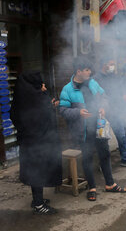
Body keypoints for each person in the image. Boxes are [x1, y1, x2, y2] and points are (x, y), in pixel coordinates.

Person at [59, 56, 126, 202]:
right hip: (83, 131)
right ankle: (92, 188)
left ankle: (110, 184)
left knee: (105, 154)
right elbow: (63, 110)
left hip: (99, 127)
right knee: (88, 158)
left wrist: (103, 107)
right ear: (79, 71)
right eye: (87, 70)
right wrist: (78, 112)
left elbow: (104, 96)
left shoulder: (93, 83)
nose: (90, 72)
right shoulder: (68, 89)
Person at [11, 71, 62, 215]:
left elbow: (17, 117)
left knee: (35, 172)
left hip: (28, 142)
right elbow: (43, 116)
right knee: (38, 172)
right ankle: (39, 204)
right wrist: (48, 101)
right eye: (41, 82)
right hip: (39, 143)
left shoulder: (22, 98)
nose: (44, 85)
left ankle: (37, 199)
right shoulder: (37, 98)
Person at [94, 58, 126, 168]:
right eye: (111, 64)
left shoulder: (114, 76)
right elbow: (95, 95)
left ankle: (125, 158)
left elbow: (120, 88)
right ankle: (103, 164)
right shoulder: (96, 78)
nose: (113, 67)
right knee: (103, 139)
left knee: (121, 135)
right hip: (102, 112)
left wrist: (123, 95)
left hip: (115, 110)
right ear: (105, 64)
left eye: (114, 64)